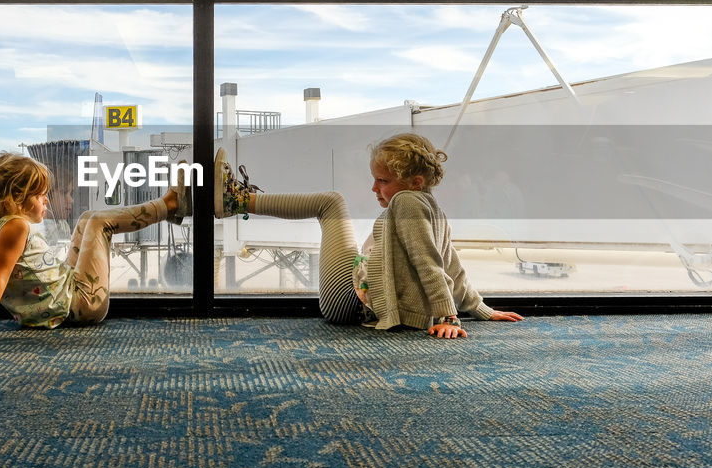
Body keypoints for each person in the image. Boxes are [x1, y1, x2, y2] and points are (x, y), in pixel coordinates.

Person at [215, 133, 523, 339]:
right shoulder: (434, 211)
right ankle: (234, 201)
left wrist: (449, 317)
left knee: (330, 202)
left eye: (382, 180)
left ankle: (236, 201)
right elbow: (452, 266)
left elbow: (431, 265)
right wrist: (482, 309)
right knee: (332, 203)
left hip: (349, 304)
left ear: (415, 182)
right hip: (358, 297)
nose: (374, 188)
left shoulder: (407, 202)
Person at [0, 151, 190, 339]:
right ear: (15, 199)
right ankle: (168, 206)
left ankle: (171, 208)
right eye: (39, 194)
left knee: (86, 218)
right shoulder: (17, 226)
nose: (46, 200)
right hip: (82, 304)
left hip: (65, 295)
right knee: (97, 222)